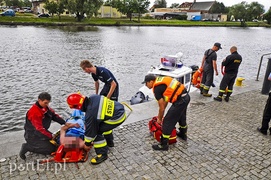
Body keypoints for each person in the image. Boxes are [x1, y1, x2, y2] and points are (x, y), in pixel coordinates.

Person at [66, 93, 126, 164]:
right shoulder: (93, 97)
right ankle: (110, 142)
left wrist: (87, 144)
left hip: (117, 117)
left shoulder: (91, 114)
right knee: (103, 125)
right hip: (118, 108)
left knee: (96, 132)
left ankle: (102, 154)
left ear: (78, 106)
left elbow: (91, 133)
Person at [142, 74, 190, 151]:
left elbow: (161, 108)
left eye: (146, 83)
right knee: (181, 116)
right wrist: (162, 112)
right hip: (185, 97)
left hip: (180, 101)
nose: (145, 85)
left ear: (151, 82)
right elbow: (166, 100)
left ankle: (164, 144)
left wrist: (159, 119)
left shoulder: (156, 89)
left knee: (167, 121)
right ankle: (183, 134)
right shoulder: (162, 80)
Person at [80, 60, 118, 147]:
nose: (84, 72)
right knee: (99, 104)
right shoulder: (93, 74)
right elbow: (96, 82)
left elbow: (114, 84)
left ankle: (109, 128)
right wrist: (96, 95)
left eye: (84, 70)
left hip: (113, 87)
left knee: (109, 108)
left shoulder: (102, 71)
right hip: (107, 86)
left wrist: (107, 98)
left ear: (87, 68)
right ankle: (102, 124)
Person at [19, 92, 67, 160]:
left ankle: (42, 143)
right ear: (39, 100)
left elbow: (54, 116)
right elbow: (39, 129)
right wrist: (50, 136)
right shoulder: (34, 113)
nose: (47, 105)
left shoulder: (46, 108)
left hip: (41, 131)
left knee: (55, 143)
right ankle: (27, 147)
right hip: (33, 135)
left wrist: (64, 123)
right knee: (51, 149)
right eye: (45, 103)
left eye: (48, 103)